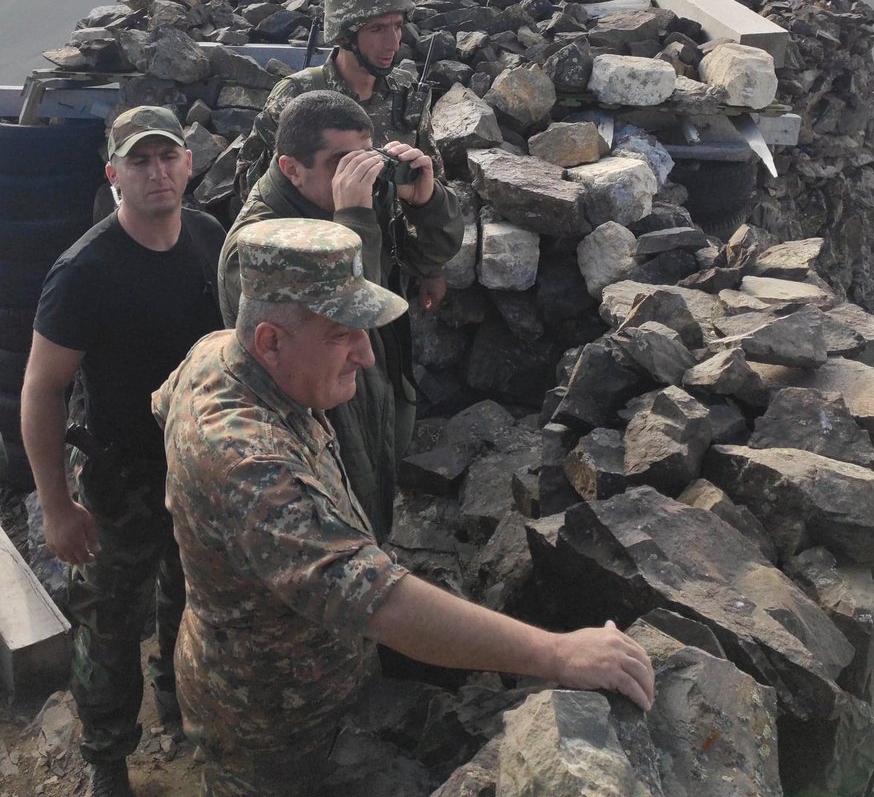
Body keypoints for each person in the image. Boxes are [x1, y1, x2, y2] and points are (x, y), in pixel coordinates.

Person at [154, 220, 654, 797]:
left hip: (302, 674)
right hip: (271, 724)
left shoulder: (218, 354)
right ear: (270, 341)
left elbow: (164, 405)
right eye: (342, 334)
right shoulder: (248, 462)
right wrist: (559, 653)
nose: (366, 356)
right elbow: (378, 601)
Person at [21, 106, 225, 797]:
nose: (157, 171)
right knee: (108, 625)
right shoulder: (85, 270)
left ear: (188, 164)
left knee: (189, 599)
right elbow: (41, 389)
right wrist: (56, 505)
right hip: (120, 478)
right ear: (114, 175)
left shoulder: (207, 237)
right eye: (139, 161)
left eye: (167, 156)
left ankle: (178, 710)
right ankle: (107, 756)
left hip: (195, 466)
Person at [218, 88, 463, 539]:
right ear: (291, 169)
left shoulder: (346, 197)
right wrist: (354, 218)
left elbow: (431, 250)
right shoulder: (256, 245)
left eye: (364, 158)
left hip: (375, 382)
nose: (356, 174)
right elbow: (346, 312)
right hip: (319, 424)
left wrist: (426, 202)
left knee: (375, 501)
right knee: (343, 525)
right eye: (339, 162)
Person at [235, 0, 450, 312]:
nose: (393, 42)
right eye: (377, 28)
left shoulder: (406, 96)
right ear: (344, 36)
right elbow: (253, 186)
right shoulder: (297, 97)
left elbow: (431, 181)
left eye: (397, 26)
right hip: (316, 275)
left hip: (387, 267)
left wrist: (432, 269)